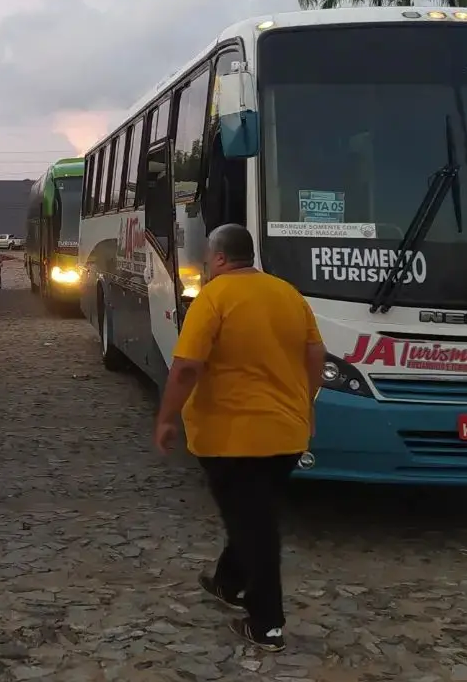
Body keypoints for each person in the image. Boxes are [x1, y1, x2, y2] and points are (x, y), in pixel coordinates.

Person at [152, 223, 325, 653]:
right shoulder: (288, 293)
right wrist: (306, 404)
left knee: (255, 527)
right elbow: (315, 354)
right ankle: (228, 583)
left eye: (210, 258)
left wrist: (167, 417)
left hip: (233, 436)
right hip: (286, 433)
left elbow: (187, 366)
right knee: (252, 511)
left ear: (220, 257)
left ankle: (267, 623)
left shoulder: (214, 297)